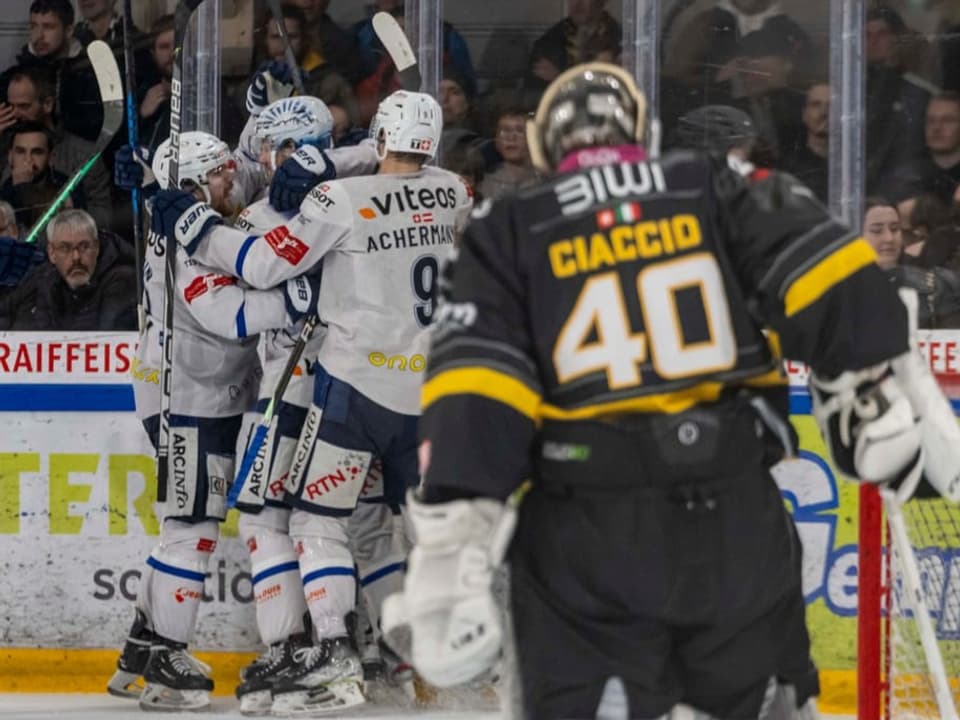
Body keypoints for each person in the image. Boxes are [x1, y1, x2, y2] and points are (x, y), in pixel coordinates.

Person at [381, 62, 960, 719]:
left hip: (585, 525)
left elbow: (475, 391)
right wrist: (876, 377)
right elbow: (831, 270)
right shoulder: (711, 182)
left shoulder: (508, 226)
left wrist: (454, 538)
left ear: (547, 145)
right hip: (734, 514)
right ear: (642, 131)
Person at [151, 90, 473, 715]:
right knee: (380, 528)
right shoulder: (452, 189)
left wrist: (194, 225)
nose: (251, 164)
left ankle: (302, 650)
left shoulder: (299, 210)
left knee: (276, 522)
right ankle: (406, 658)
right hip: (423, 388)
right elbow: (389, 173)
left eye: (268, 150)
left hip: (324, 389)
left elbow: (253, 274)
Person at [3, 64, 112, 230]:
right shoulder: (4, 147)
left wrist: (68, 209)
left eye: (24, 106)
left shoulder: (84, 155)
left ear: (47, 104)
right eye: (11, 106)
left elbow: (105, 218)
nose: (15, 114)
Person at [0, 208, 135, 330]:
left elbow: (106, 339)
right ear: (52, 253)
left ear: (97, 247)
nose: (76, 257)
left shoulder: (122, 280)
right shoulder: (41, 278)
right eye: (65, 248)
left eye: (84, 247)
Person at [0, 121, 87, 230]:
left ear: (51, 157)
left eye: (37, 152)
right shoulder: (4, 188)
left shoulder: (68, 186)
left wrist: (23, 188)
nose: (28, 160)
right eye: (21, 152)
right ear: (10, 156)